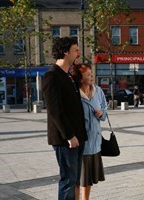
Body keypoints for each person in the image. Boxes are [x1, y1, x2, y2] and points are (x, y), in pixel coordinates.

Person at [42, 37, 88, 200]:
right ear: (65, 52)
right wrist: (69, 135)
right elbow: (55, 111)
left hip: (78, 137)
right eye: (76, 50)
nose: (79, 53)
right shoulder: (52, 76)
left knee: (74, 180)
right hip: (66, 139)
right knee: (68, 180)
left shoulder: (68, 76)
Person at [72, 64, 107, 200]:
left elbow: (104, 108)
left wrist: (101, 113)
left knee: (87, 179)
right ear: (80, 79)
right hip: (81, 142)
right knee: (77, 178)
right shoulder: (75, 94)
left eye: (91, 73)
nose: (92, 76)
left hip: (95, 142)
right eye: (88, 74)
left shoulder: (98, 91)